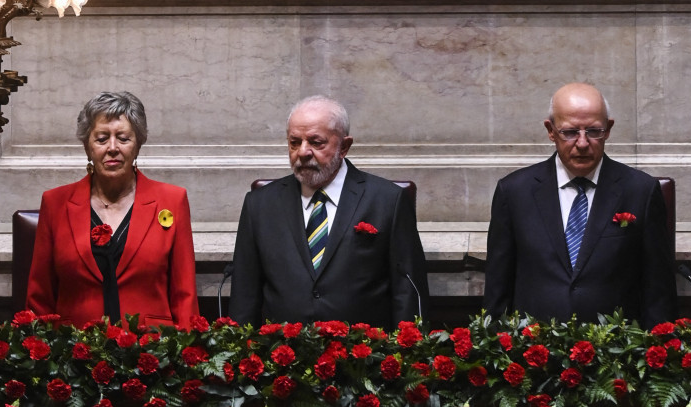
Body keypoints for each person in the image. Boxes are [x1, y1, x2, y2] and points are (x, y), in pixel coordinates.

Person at [484, 82, 677, 324]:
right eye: (570, 132)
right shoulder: (514, 192)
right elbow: (497, 287)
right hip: (533, 351)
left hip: (617, 352)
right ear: (550, 130)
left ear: (608, 129)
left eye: (594, 131)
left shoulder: (640, 191)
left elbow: (658, 291)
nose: (583, 143)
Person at [229, 96, 430, 327]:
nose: (302, 152)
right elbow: (244, 295)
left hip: (364, 355)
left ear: (344, 146)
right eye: (294, 142)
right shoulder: (260, 204)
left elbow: (408, 292)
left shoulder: (388, 200)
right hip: (281, 354)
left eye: (316, 142)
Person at [27, 89, 197, 326]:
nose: (113, 147)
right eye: (102, 138)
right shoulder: (55, 203)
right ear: (87, 147)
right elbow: (40, 297)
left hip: (152, 353)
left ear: (138, 145)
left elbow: (184, 295)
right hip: (74, 352)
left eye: (124, 138)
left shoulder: (173, 201)